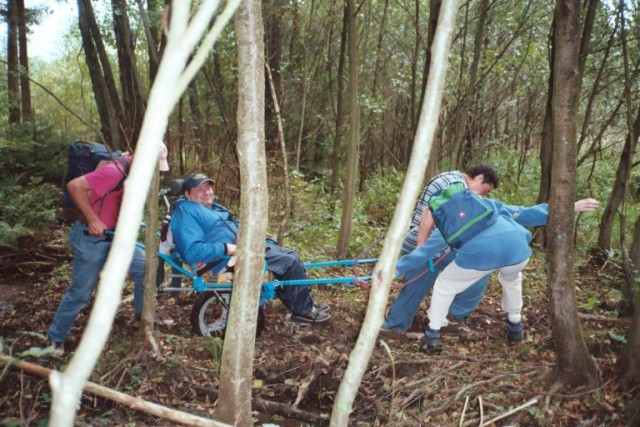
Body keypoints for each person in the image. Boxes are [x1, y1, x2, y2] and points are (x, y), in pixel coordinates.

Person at [384, 199, 599, 334]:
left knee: (445, 285)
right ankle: (515, 324)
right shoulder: (485, 204)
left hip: (482, 256)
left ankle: (433, 331)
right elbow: (523, 213)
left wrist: (393, 269)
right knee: (512, 279)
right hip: (518, 250)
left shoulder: (447, 224)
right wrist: (570, 207)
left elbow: (423, 253)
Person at [48, 142, 170, 355]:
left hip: (118, 238)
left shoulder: (136, 174)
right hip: (91, 238)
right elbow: (75, 186)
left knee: (145, 268)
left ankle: (144, 319)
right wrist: (93, 219)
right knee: (81, 293)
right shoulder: (115, 170)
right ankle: (56, 338)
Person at [170, 172, 330, 324]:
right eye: (200, 189)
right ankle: (303, 312)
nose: (207, 192)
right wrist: (227, 248)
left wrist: (255, 233)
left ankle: (304, 303)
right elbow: (191, 252)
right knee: (289, 262)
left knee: (291, 255)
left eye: (208, 188)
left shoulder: (211, 209)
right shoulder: (186, 212)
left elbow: (227, 227)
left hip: (242, 249)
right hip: (225, 262)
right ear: (187, 194)